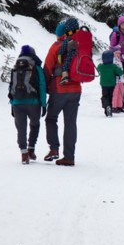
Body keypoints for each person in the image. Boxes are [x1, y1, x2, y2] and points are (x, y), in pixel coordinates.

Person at [43, 17, 82, 166]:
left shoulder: (56, 47)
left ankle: (54, 149)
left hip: (59, 88)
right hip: (76, 89)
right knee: (70, 123)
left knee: (51, 118)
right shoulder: (79, 45)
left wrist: (44, 88)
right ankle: (69, 157)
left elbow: (47, 69)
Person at [9, 45, 47, 164]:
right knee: (34, 125)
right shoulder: (36, 67)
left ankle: (24, 153)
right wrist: (43, 104)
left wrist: (12, 104)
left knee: (21, 128)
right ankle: (31, 149)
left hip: (17, 102)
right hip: (33, 102)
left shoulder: (16, 67)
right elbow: (42, 86)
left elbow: (11, 86)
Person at [97, 50, 124, 117]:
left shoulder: (101, 66)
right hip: (112, 84)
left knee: (105, 96)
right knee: (110, 96)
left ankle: (107, 107)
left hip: (103, 84)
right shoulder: (113, 66)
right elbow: (120, 72)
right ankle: (109, 109)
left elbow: (98, 69)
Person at [57, 18, 80, 84]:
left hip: (71, 56)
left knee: (65, 66)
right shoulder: (80, 34)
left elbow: (63, 48)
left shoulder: (69, 36)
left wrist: (60, 57)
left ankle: (65, 76)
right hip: (80, 56)